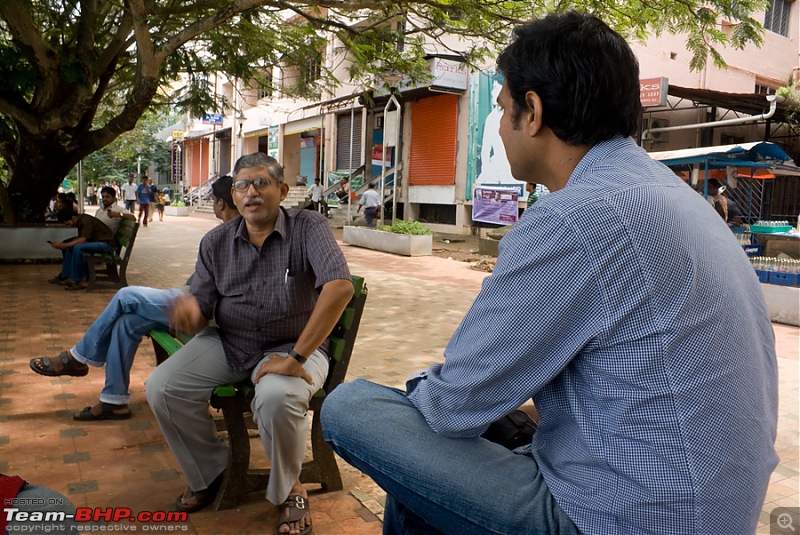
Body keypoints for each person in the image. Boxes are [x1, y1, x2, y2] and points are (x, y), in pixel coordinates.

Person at [321, 12, 778, 535]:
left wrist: (436, 402)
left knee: (353, 408)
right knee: (434, 475)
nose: (497, 124)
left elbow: (455, 403)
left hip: (625, 516)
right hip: (714, 506)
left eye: (500, 108)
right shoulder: (673, 196)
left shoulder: (580, 215)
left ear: (532, 112)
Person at [145, 153, 353, 535]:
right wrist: (188, 313)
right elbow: (202, 308)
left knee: (277, 396)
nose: (251, 192)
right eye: (242, 185)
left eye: (262, 183)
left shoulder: (309, 226)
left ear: (282, 190)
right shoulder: (216, 242)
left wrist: (295, 358)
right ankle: (212, 472)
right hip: (231, 341)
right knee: (163, 386)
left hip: (293, 345)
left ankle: (290, 488)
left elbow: (339, 287)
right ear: (234, 196)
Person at [29, 177, 239, 420]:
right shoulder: (222, 235)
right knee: (126, 322)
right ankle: (114, 400)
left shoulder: (234, 236)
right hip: (189, 301)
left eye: (213, 200)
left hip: (198, 312)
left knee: (126, 296)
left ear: (221, 204)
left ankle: (76, 357)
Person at [47, 206, 116, 291]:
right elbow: (82, 238)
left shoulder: (85, 220)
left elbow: (83, 239)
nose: (69, 226)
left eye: (69, 223)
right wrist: (65, 244)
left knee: (78, 247)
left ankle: (79, 280)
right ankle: (67, 275)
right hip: (98, 242)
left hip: (106, 244)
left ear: (74, 218)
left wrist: (64, 245)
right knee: (71, 246)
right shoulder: (81, 220)